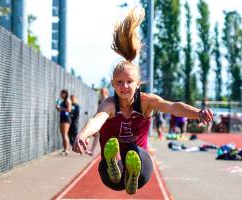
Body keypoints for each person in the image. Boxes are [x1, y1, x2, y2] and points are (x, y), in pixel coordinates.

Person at [72, 7, 213, 195]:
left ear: (138, 84)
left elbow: (172, 107)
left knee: (137, 156)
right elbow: (97, 121)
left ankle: (130, 173)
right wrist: (82, 135)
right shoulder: (109, 104)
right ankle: (115, 165)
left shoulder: (146, 102)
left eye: (129, 82)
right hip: (110, 174)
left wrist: (197, 113)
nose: (125, 86)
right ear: (113, 84)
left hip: (141, 165)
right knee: (112, 166)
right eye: (120, 82)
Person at [86, 88, 110, 156]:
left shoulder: (108, 99)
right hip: (100, 118)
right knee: (97, 134)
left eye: (102, 91)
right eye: (101, 91)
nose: (101, 92)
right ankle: (92, 151)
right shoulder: (100, 100)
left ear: (106, 91)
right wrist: (95, 117)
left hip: (106, 118)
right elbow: (99, 110)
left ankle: (94, 151)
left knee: (102, 135)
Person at [56, 89, 72, 155]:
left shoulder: (68, 100)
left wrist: (61, 108)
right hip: (62, 118)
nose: (60, 94)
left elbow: (69, 109)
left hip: (66, 119)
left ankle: (67, 150)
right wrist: (57, 108)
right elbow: (60, 110)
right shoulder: (62, 101)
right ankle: (65, 149)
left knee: (65, 134)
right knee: (63, 135)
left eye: (61, 93)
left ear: (65, 94)